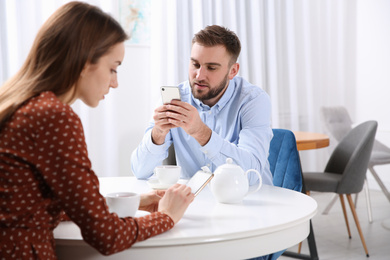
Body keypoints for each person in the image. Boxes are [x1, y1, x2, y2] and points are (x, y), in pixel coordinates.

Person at [0, 2, 194, 259]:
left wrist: (134, 202)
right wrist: (167, 216)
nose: (115, 83)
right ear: (83, 61)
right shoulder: (54, 116)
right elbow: (106, 235)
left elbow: (42, 206)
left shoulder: (21, 104)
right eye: (113, 68)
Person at [131, 25, 273, 186]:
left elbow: (251, 175)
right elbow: (140, 171)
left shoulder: (253, 100)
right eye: (195, 65)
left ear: (233, 71)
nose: (199, 76)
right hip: (198, 203)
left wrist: (201, 133)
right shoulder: (175, 98)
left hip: (251, 200)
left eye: (211, 68)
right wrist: (157, 134)